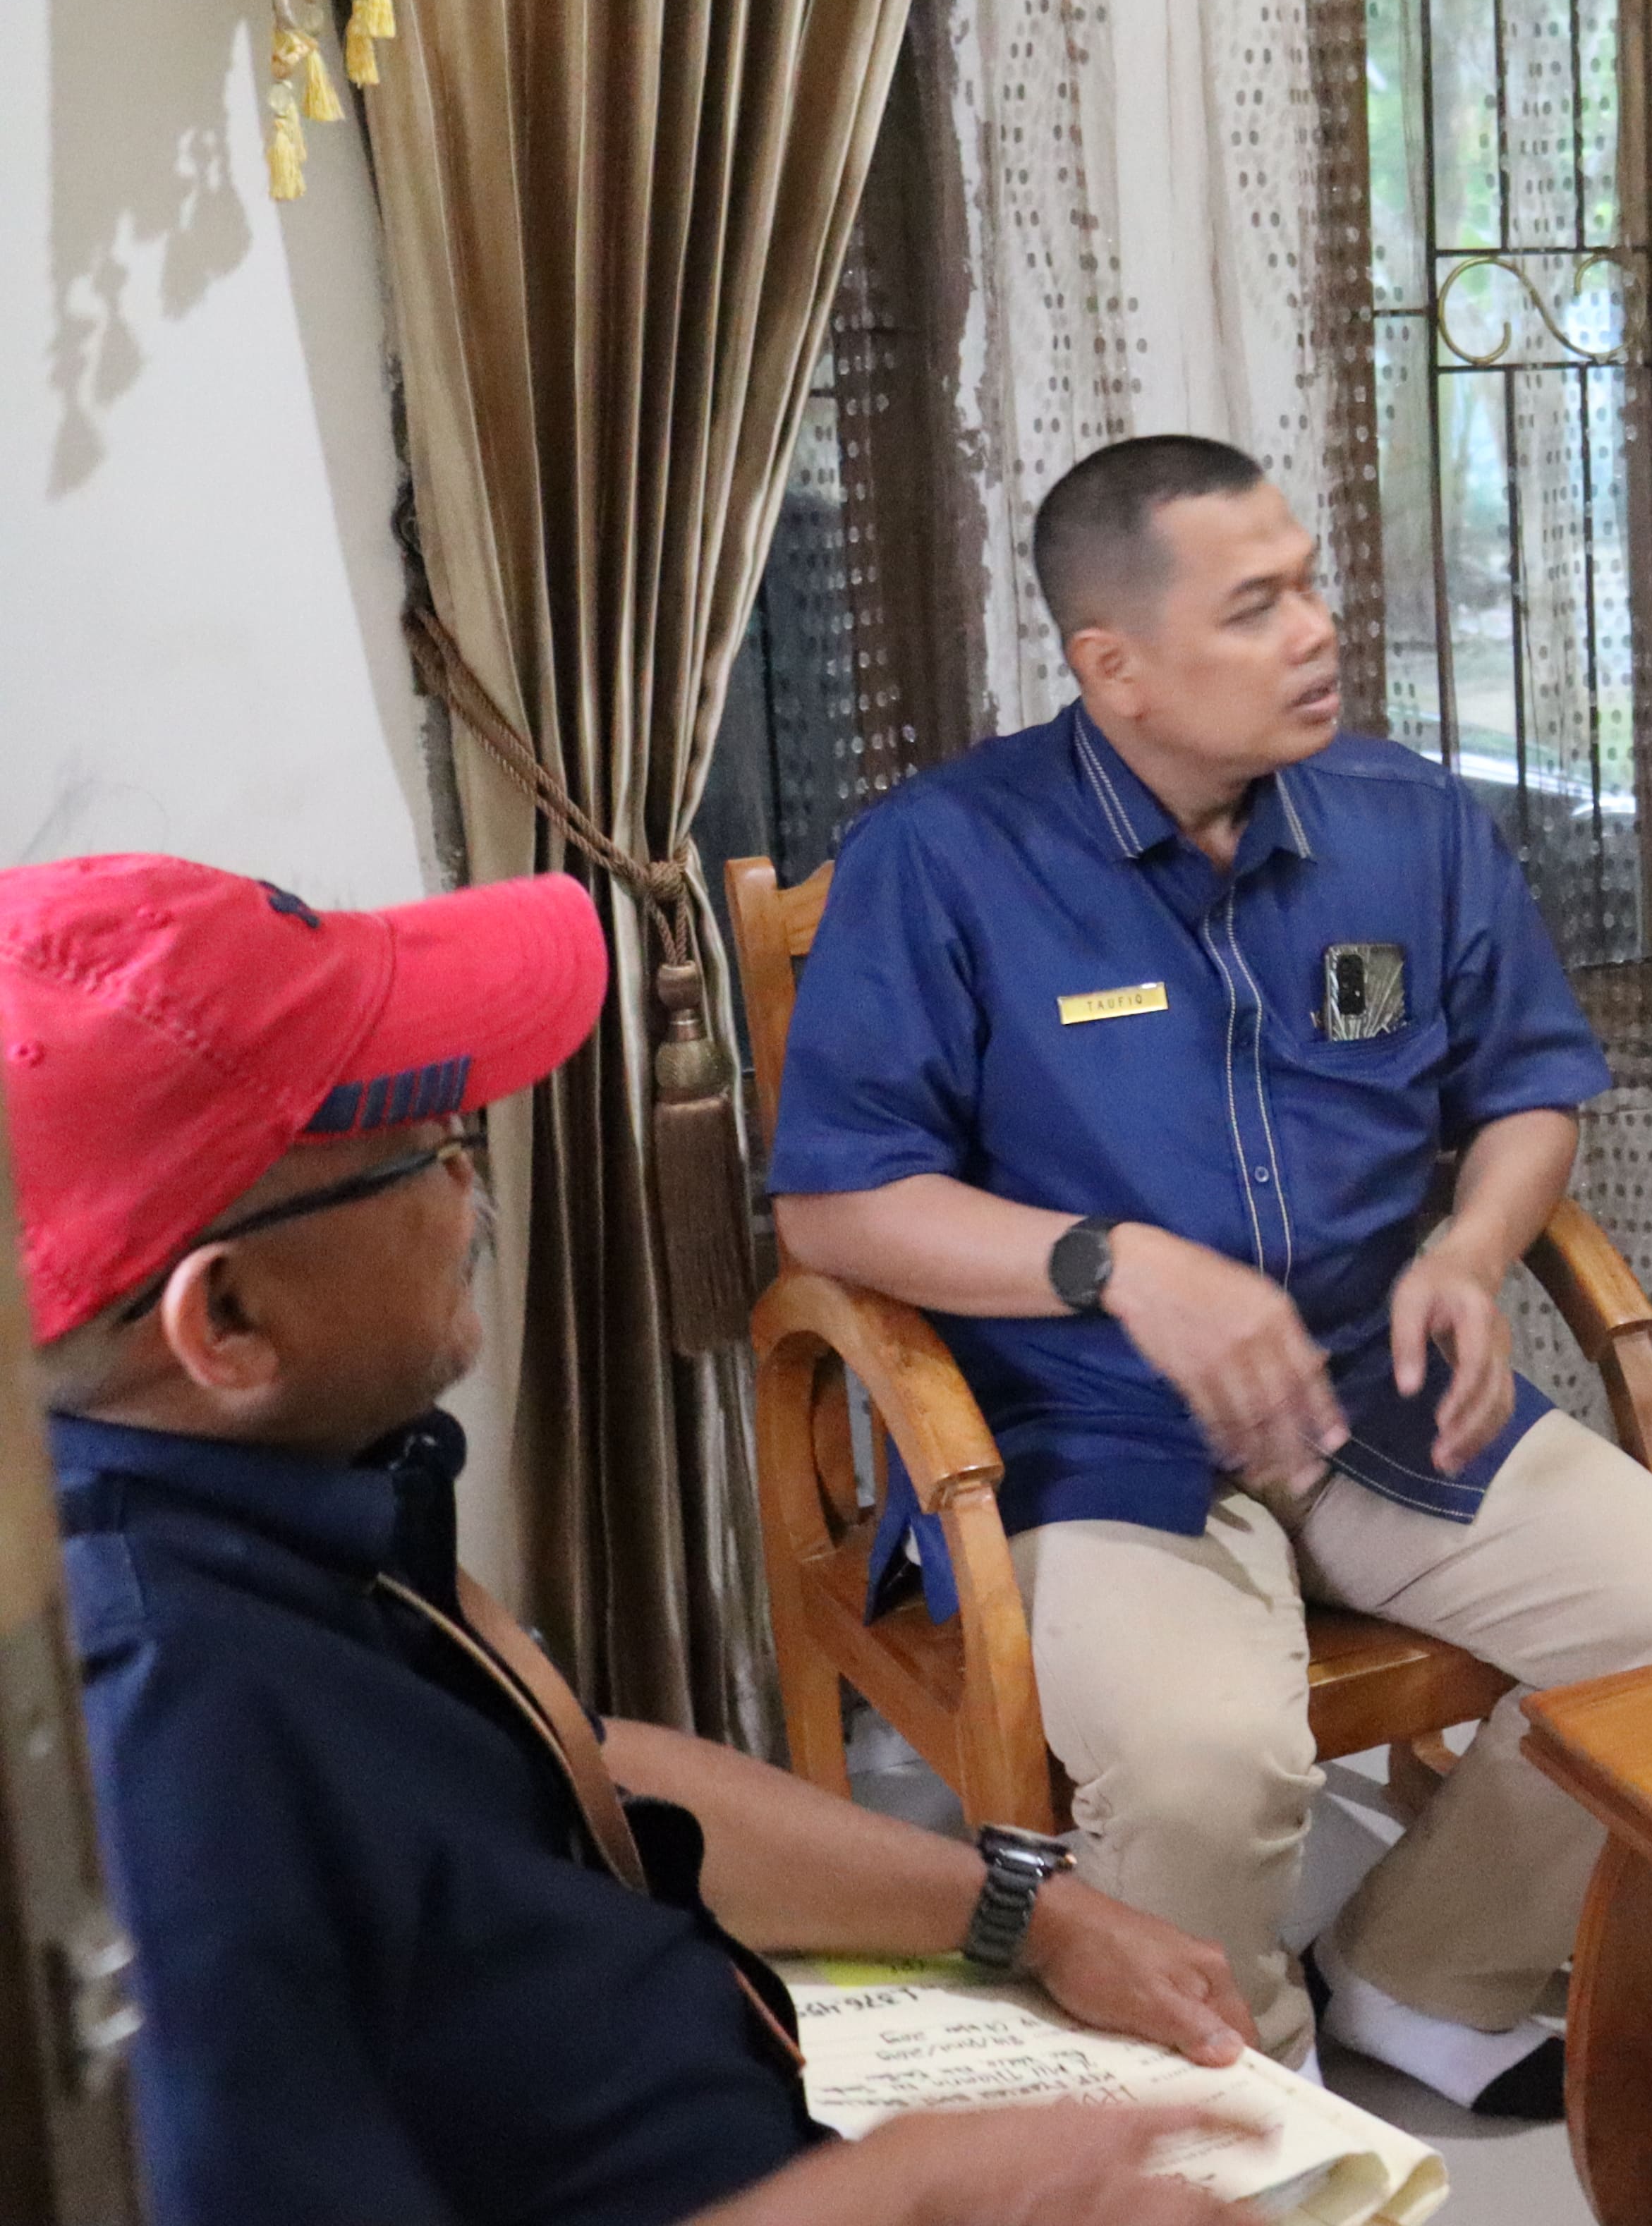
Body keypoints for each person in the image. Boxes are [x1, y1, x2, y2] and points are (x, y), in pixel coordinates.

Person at [7, 852, 1266, 2226]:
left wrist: (1031, 1910)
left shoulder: (272, 1494)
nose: (470, 1184)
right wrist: (903, 2194)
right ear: (228, 1322)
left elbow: (569, 1768)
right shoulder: (165, 1732)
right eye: (424, 1151)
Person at [765, 435, 1652, 2113]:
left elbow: (1528, 1088)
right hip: (1088, 1425)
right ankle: (1234, 2096)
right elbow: (837, 1208)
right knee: (1198, 1768)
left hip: (1378, 1387)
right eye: (1256, 606)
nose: (1318, 629)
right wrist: (1115, 1265)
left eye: (1309, 582)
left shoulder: (1405, 819)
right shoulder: (943, 857)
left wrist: (1471, 1248)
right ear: (1116, 666)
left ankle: (1423, 1972)